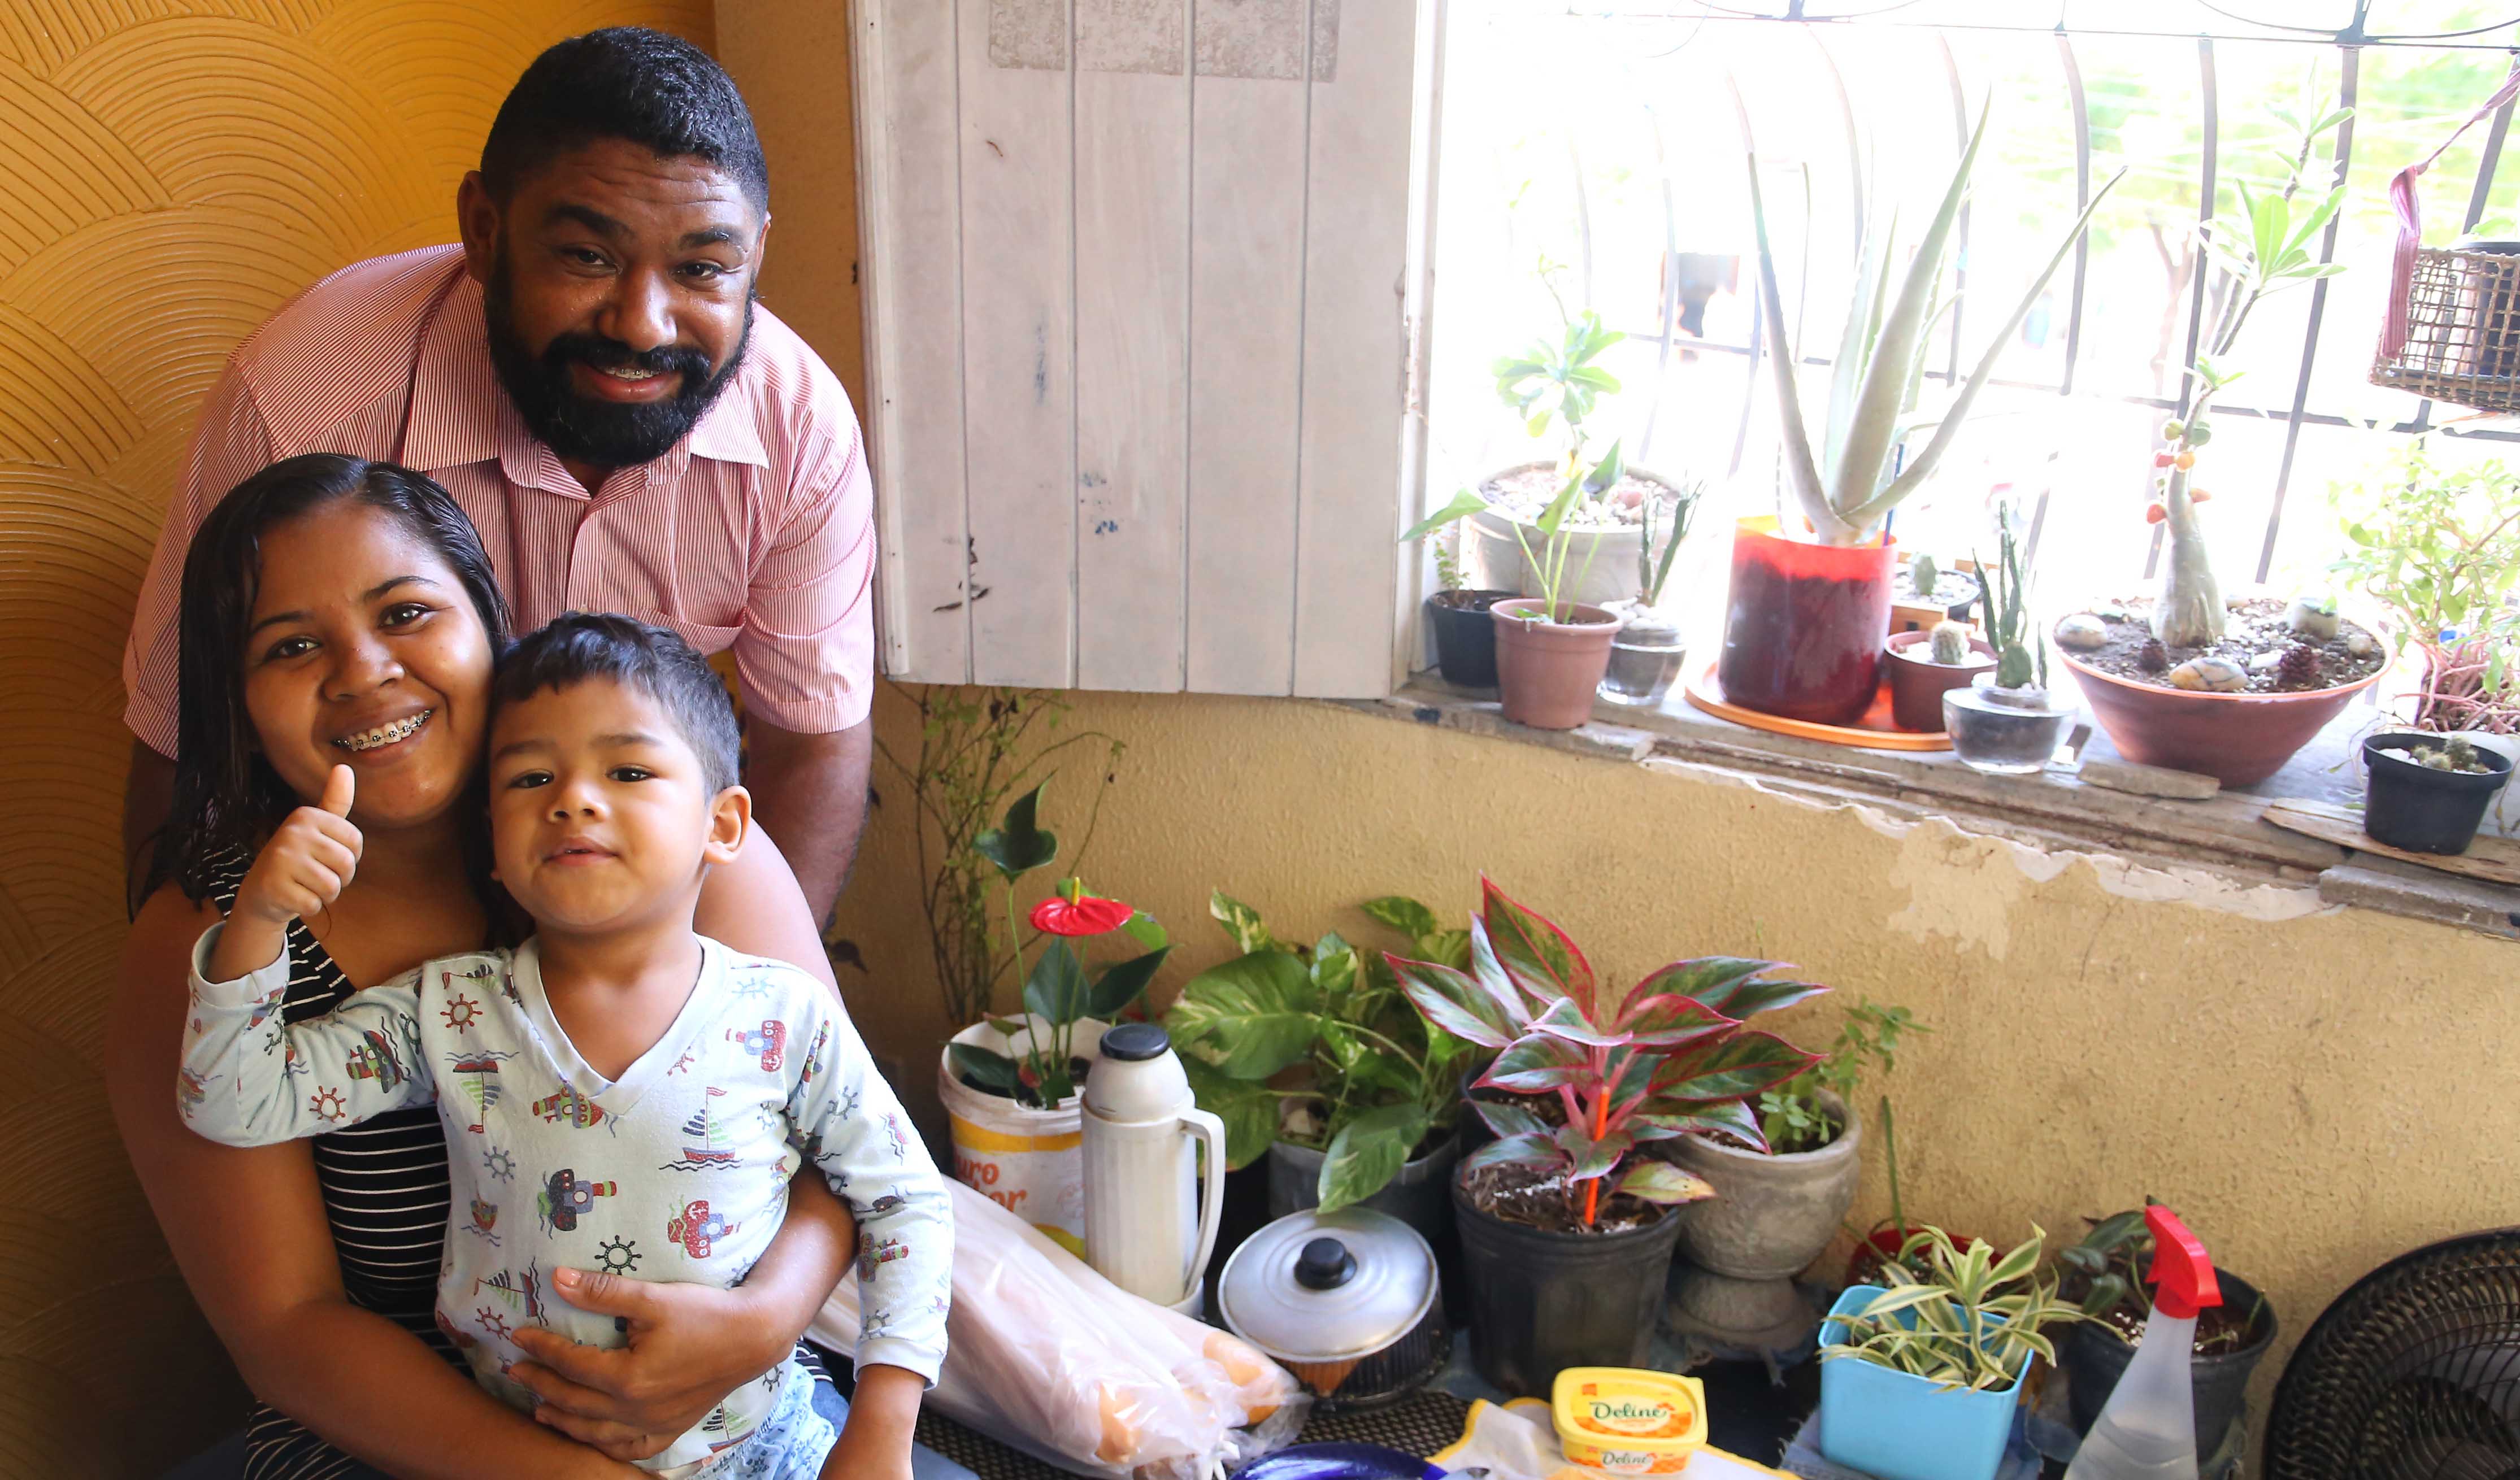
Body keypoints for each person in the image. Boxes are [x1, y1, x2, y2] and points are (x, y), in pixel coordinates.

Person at [106, 456, 873, 1480]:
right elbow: (286, 1327)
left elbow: (852, 1138)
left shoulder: (667, 838)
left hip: (726, 1413)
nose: (364, 669)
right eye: (291, 646)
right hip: (404, 1449)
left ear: (487, 621)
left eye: (407, 612)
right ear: (237, 703)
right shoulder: (214, 946)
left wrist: (764, 1321)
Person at [122, 26, 874, 924]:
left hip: (632, 939)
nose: (643, 325)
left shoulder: (799, 433)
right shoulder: (301, 401)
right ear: (484, 229)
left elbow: (810, 748)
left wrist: (730, 1017)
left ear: (753, 255)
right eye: (587, 256)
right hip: (355, 920)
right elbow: (185, 748)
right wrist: (203, 1005)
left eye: (702, 269)